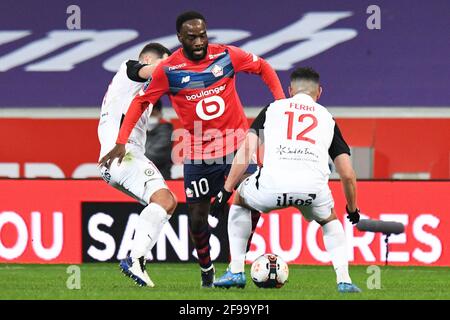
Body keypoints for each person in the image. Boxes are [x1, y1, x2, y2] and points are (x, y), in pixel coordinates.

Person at [98, 11, 285, 288]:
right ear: (179, 38)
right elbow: (142, 96)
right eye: (191, 37)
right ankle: (203, 270)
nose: (198, 42)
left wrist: (281, 104)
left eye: (202, 35)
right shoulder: (160, 69)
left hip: (236, 146)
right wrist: (122, 140)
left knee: (248, 201)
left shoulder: (226, 56)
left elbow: (262, 67)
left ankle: (235, 268)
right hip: (194, 154)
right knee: (194, 219)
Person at [211, 67, 362, 293]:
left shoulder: (273, 108)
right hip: (312, 190)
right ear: (319, 92)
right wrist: (352, 208)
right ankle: (344, 281)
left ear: (290, 90)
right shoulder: (327, 118)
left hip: (271, 187)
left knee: (241, 198)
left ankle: (236, 270)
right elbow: (348, 174)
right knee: (330, 221)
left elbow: (246, 151)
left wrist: (226, 190)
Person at [97, 43, 177, 287]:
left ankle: (137, 257)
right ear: (147, 59)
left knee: (165, 203)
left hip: (119, 160)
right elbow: (157, 69)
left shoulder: (143, 92)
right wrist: (184, 61)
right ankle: (135, 258)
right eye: (163, 60)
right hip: (123, 155)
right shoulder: (129, 69)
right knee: (165, 200)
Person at [144, 100, 174, 179]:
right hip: (139, 179)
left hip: (160, 179)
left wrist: (132, 158)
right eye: (147, 115)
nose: (149, 118)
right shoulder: (139, 130)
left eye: (152, 114)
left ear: (160, 114)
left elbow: (153, 156)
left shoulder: (166, 130)